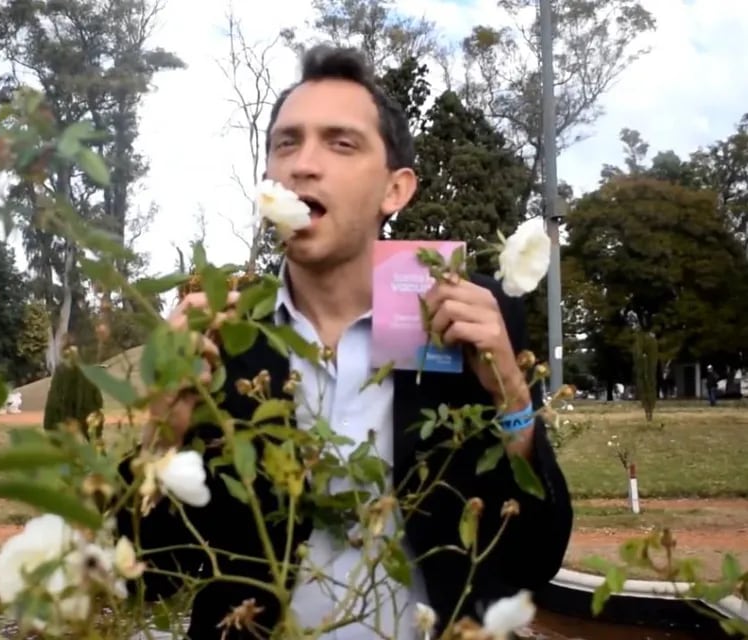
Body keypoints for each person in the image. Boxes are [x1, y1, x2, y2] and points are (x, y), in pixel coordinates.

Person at [119, 44, 573, 640]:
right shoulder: (218, 338)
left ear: (396, 190)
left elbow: (533, 560)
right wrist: (163, 433)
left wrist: (513, 399)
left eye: (340, 143)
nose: (303, 165)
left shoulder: (470, 319)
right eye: (286, 143)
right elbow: (145, 582)